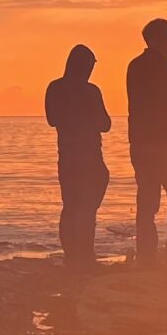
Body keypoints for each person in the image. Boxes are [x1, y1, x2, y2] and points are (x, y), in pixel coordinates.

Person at [125, 18, 167, 266]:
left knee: (147, 202)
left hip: (141, 145)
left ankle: (146, 255)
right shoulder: (164, 66)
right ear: (158, 39)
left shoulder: (135, 66)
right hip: (164, 143)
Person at [44, 44, 111, 272]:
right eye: (91, 65)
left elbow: (52, 119)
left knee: (71, 206)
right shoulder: (91, 91)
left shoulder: (54, 88)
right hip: (89, 156)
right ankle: (84, 254)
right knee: (86, 208)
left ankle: (72, 254)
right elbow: (105, 124)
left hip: (67, 157)